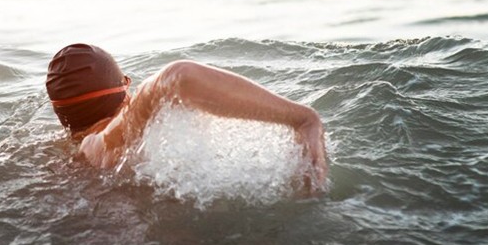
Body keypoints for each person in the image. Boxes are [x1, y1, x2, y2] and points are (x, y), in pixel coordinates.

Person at [46, 43, 329, 194]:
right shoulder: (100, 144)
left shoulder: (71, 154)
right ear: (123, 91)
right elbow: (180, 76)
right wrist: (304, 119)